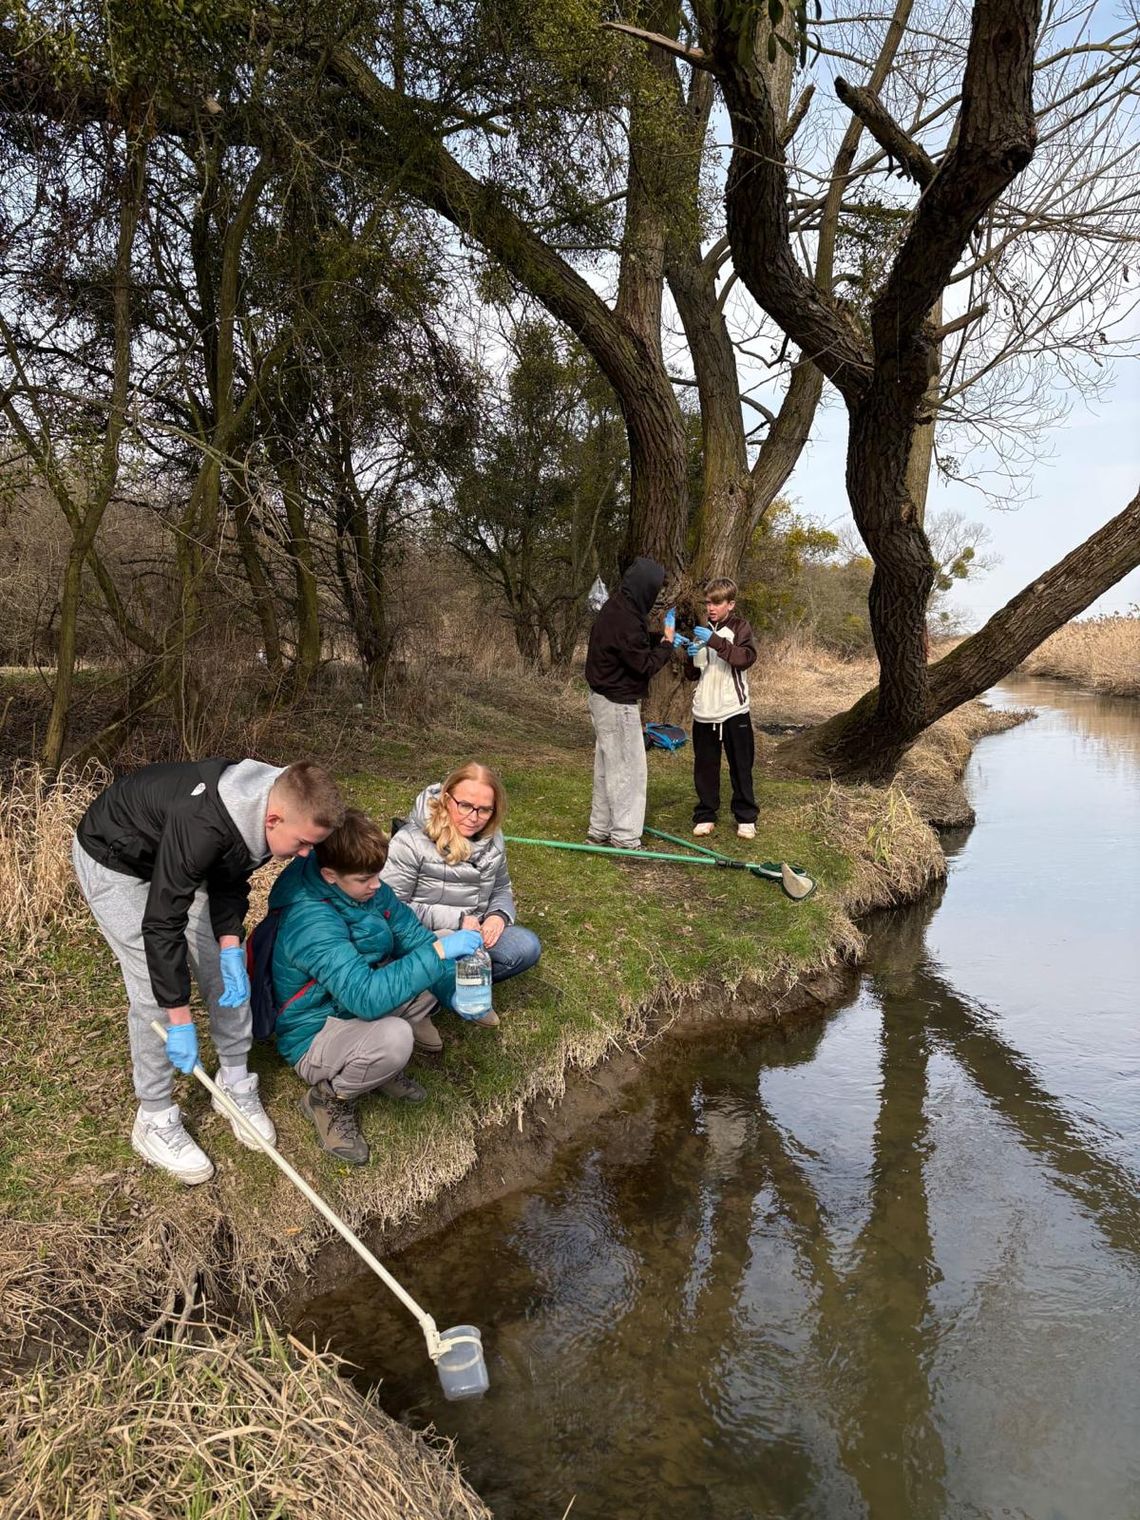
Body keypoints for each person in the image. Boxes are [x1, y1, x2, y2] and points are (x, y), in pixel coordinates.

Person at [71, 759, 345, 1185]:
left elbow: (231, 872)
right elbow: (162, 921)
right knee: (153, 989)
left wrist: (230, 943)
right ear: (274, 819)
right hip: (118, 857)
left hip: (181, 852)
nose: (306, 854)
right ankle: (154, 1116)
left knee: (223, 969)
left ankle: (234, 1079)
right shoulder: (205, 824)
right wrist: (179, 1019)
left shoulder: (268, 808)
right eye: (305, 843)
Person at [268, 810, 483, 1165]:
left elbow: (415, 938)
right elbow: (366, 999)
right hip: (315, 1031)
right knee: (396, 1037)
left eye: (378, 875)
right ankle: (328, 1099)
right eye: (366, 878)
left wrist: (454, 991)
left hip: (350, 1003)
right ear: (329, 875)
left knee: (439, 948)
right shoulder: (310, 922)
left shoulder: (369, 890)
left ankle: (375, 1071)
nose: (377, 885)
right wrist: (439, 954)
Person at [381, 762, 541, 1021]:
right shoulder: (410, 841)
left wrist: (498, 916)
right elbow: (389, 907)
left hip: (472, 933)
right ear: (447, 799)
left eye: (485, 810)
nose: (474, 816)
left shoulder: (494, 841)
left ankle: (462, 989)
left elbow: (501, 887)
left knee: (525, 946)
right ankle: (422, 1004)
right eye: (465, 805)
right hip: (420, 936)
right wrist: (456, 920)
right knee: (439, 945)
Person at [584, 555, 678, 849]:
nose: (657, 596)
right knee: (628, 771)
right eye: (656, 590)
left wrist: (660, 638)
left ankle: (599, 830)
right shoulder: (625, 618)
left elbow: (631, 643)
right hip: (617, 704)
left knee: (607, 767)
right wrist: (666, 644)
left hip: (602, 701)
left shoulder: (616, 607)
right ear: (644, 587)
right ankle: (625, 837)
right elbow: (643, 665)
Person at [682, 577, 759, 839]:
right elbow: (694, 674)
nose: (711, 608)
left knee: (741, 765)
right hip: (704, 709)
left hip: (734, 709)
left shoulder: (740, 628)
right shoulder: (701, 630)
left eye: (717, 603)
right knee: (705, 766)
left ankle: (746, 816)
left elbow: (745, 658)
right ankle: (705, 814)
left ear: (731, 604)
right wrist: (691, 654)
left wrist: (715, 642)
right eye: (708, 603)